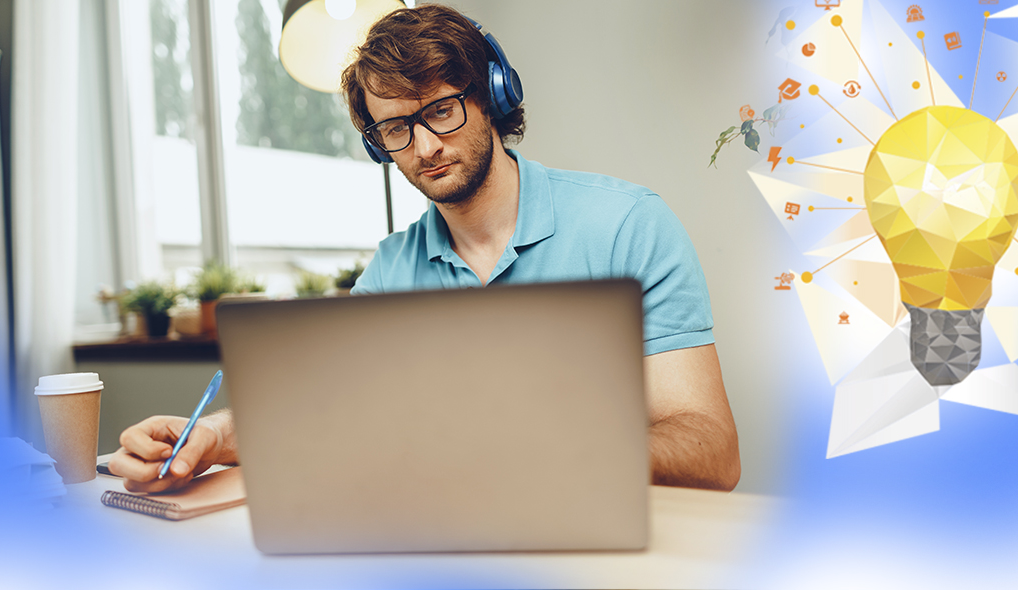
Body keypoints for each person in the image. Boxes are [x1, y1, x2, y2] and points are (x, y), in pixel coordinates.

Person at [110, 5, 739, 492]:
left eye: (441, 110)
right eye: (396, 128)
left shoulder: (628, 225)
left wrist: (554, 458)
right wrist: (208, 438)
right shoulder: (391, 270)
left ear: (491, 97)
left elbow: (713, 450)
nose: (425, 146)